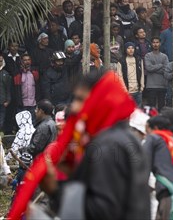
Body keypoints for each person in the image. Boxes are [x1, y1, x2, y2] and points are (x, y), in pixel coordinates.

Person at [10, 71, 150, 220]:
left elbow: (104, 212)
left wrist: (55, 190)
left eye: (81, 99)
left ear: (102, 101)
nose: (75, 107)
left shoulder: (107, 145)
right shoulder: (123, 138)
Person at [144, 37, 169, 110]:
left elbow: (166, 69)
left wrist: (153, 68)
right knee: (151, 108)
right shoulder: (148, 55)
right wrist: (160, 65)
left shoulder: (164, 56)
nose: (155, 44)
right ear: (151, 44)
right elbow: (148, 68)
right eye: (154, 42)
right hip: (151, 85)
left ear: (160, 44)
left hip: (162, 85)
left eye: (157, 42)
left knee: (161, 107)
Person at [117, 42, 145, 107]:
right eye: (128, 48)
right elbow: (119, 76)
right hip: (127, 91)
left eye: (132, 48)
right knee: (127, 111)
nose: (131, 50)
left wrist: (142, 86)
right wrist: (124, 89)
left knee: (138, 111)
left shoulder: (138, 59)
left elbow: (142, 73)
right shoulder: (121, 61)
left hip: (138, 90)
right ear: (125, 49)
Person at [0, 56, 12, 131]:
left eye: (1, 61)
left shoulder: (5, 74)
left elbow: (8, 88)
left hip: (2, 101)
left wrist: (8, 100)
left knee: (1, 120)